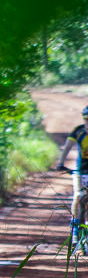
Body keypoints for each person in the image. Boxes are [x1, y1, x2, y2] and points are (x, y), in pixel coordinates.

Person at [54, 105, 88, 245]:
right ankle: (75, 227)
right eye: (86, 119)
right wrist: (61, 163)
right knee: (78, 196)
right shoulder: (78, 131)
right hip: (81, 170)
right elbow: (67, 147)